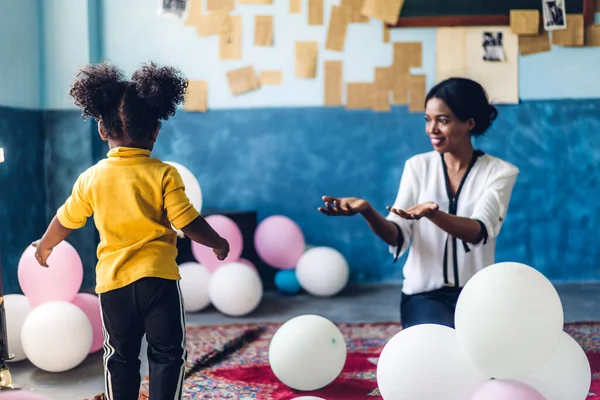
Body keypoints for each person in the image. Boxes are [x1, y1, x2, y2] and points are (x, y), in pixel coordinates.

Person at [31, 62, 229, 400]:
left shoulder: (91, 178)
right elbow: (186, 220)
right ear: (155, 131)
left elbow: (66, 218)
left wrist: (45, 245)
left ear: (101, 131)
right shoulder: (164, 174)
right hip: (158, 282)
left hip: (113, 285)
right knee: (167, 354)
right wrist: (218, 241)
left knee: (119, 357)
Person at [319, 77, 519, 329]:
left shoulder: (500, 172)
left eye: (442, 120)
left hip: (479, 293)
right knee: (442, 350)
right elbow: (397, 235)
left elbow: (479, 231)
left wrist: (433, 214)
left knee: (485, 362)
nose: (432, 129)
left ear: (469, 123)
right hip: (425, 295)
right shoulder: (417, 166)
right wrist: (367, 211)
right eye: (428, 119)